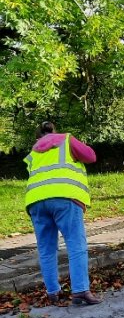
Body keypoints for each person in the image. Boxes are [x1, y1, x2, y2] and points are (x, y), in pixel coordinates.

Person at [24, 121, 102, 305]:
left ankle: (52, 292)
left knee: (46, 249)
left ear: (39, 135)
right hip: (65, 198)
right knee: (76, 244)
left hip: (36, 201)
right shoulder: (67, 139)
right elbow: (91, 156)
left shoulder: (33, 152)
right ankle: (81, 290)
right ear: (54, 130)